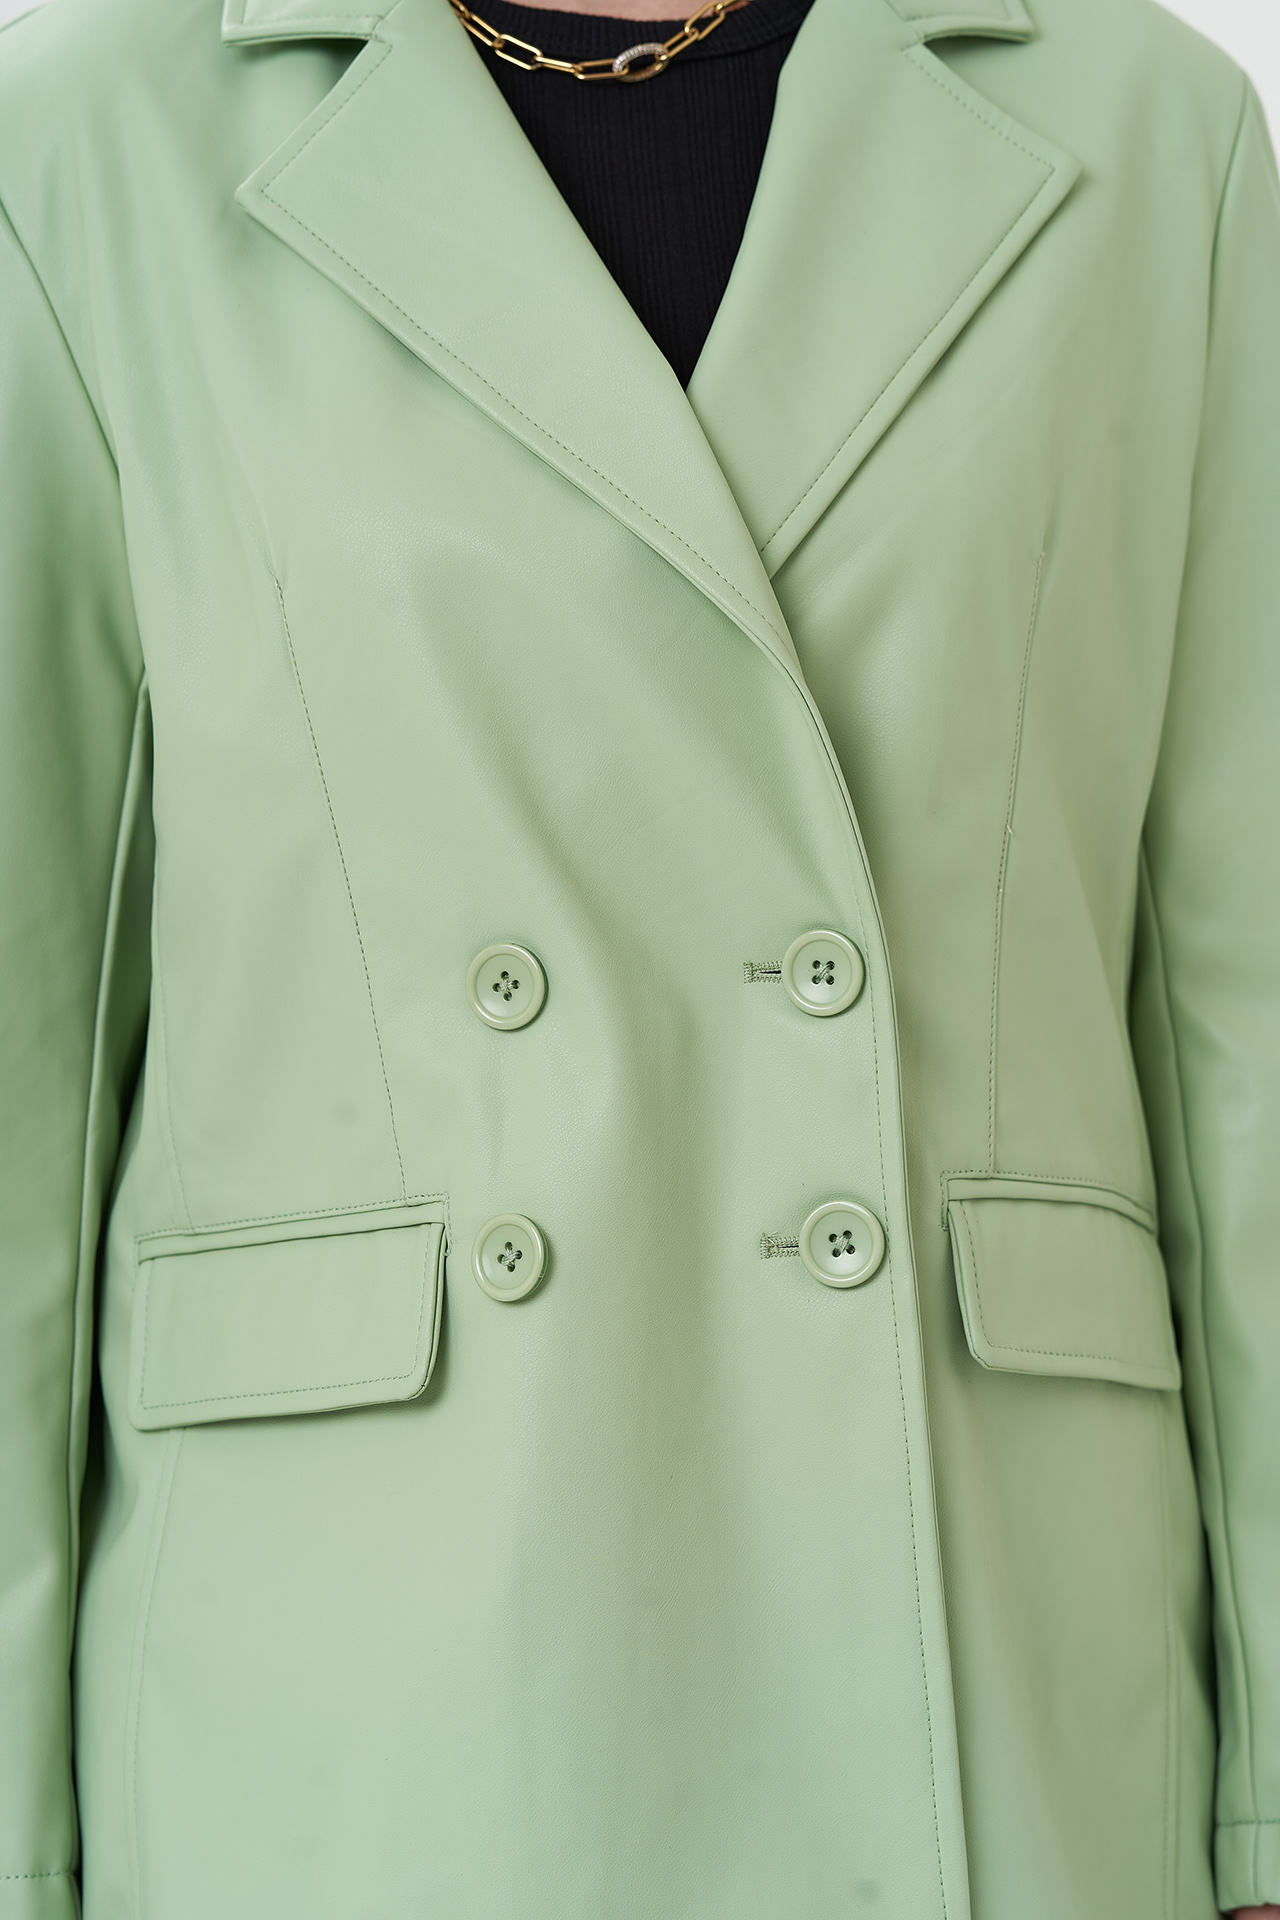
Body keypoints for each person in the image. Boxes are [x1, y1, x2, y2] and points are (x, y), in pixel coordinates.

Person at [0, 0, 1277, 1909]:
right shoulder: (91, 149)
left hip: (998, 1641)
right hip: (345, 1682)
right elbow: (22, 1065)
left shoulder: (1151, 133)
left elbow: (1245, 1014)